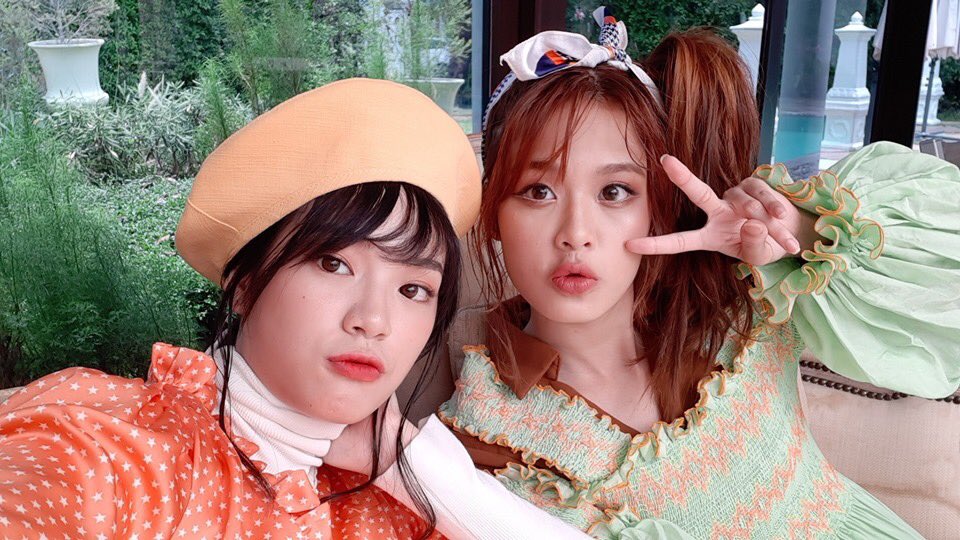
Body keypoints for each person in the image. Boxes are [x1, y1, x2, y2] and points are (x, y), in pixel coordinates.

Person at [439, 7, 960, 538]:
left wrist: (803, 233)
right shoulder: (487, 434)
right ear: (493, 212)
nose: (576, 233)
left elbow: (946, 293)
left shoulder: (739, 303)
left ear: (656, 206)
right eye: (538, 191)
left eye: (614, 192)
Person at [0, 78, 595, 539]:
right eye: (333, 264)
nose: (373, 320)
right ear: (245, 282)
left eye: (413, 290)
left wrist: (417, 463)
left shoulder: (392, 505)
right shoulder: (108, 452)